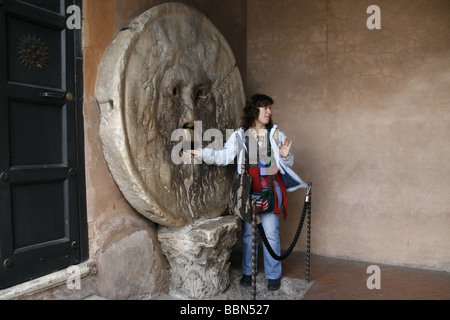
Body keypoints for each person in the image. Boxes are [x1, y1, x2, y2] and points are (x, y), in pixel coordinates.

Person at [187, 94, 307, 291]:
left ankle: (273, 275)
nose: (269, 111)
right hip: (248, 191)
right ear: (254, 110)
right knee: (248, 235)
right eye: (265, 107)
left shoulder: (276, 134)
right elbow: (224, 156)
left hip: (270, 189)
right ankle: (247, 272)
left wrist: (285, 157)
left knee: (271, 234)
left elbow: (287, 162)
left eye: (270, 108)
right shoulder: (240, 135)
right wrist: (201, 153)